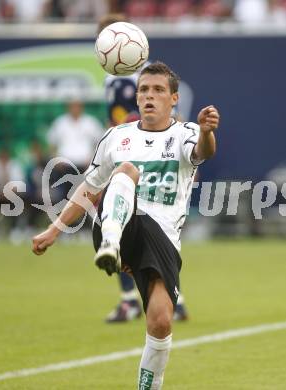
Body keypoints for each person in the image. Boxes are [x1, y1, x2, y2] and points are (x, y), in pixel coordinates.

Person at [32, 61, 220, 388]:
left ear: (173, 98)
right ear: (136, 98)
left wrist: (206, 131)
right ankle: (111, 246)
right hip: (116, 228)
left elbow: (203, 152)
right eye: (144, 90)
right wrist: (54, 229)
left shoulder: (185, 133)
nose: (150, 96)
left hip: (162, 239)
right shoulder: (116, 138)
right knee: (126, 171)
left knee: (161, 321)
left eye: (158, 90)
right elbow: (88, 189)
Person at [98, 14, 189, 322]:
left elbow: (126, 123)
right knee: (145, 226)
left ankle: (130, 300)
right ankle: (172, 298)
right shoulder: (116, 78)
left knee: (122, 221)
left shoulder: (128, 80)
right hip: (129, 154)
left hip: (135, 157)